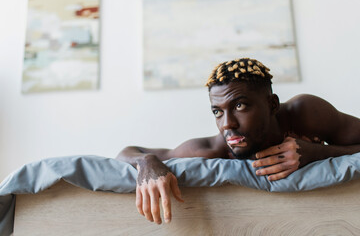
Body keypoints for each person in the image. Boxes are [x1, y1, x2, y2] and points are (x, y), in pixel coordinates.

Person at [116, 57, 360, 225]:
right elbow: (127, 152)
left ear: (272, 104)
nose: (227, 124)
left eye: (239, 105)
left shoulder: (306, 113)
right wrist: (147, 162)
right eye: (217, 111)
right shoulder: (213, 150)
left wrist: (316, 152)